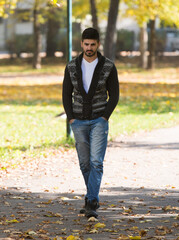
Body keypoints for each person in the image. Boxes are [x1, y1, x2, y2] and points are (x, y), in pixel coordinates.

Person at [62, 28, 119, 218]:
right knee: (85, 164)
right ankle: (91, 198)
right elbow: (66, 94)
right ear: (81, 44)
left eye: (92, 44)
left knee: (96, 162)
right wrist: (71, 118)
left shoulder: (108, 67)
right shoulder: (71, 66)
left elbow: (114, 95)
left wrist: (105, 117)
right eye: (86, 44)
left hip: (98, 121)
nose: (89, 48)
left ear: (98, 45)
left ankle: (92, 202)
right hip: (78, 121)